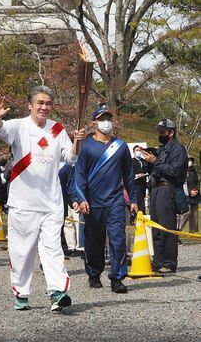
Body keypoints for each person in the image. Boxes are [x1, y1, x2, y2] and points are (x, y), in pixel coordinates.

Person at [0, 86, 85, 312]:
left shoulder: (58, 129)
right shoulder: (18, 125)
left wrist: (77, 142)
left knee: (52, 248)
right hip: (23, 202)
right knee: (22, 251)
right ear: (30, 105)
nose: (44, 107)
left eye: (48, 104)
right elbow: (0, 131)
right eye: (40, 103)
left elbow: (70, 158)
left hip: (52, 201)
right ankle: (22, 293)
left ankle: (57, 292)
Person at [75, 106, 137, 294]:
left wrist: (133, 199)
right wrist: (81, 198)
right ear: (94, 122)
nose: (106, 121)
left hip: (116, 201)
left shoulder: (121, 146)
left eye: (109, 118)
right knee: (94, 241)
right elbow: (79, 175)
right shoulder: (85, 146)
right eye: (102, 118)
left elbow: (129, 175)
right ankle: (94, 273)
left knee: (118, 241)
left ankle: (117, 278)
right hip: (93, 203)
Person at [140, 118, 188, 274]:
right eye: (159, 132)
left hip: (168, 189)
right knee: (156, 227)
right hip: (155, 189)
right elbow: (156, 168)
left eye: (163, 132)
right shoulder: (163, 148)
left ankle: (169, 262)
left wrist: (156, 162)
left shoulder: (178, 149)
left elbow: (175, 171)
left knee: (167, 227)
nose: (160, 134)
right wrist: (148, 160)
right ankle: (158, 261)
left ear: (171, 132)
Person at [178, 156, 199, 233]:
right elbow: (183, 183)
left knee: (194, 213)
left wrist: (196, 190)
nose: (190, 162)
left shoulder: (193, 171)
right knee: (186, 213)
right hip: (186, 195)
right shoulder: (182, 170)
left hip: (195, 195)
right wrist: (190, 191)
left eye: (191, 160)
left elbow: (197, 181)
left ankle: (193, 230)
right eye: (188, 160)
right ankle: (179, 228)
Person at [132, 145, 148, 213]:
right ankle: (138, 214)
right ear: (134, 152)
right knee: (139, 200)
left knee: (142, 199)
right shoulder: (131, 161)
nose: (138, 152)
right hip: (136, 183)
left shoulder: (143, 161)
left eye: (139, 150)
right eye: (137, 151)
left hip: (143, 183)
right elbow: (128, 173)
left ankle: (142, 214)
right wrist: (136, 175)